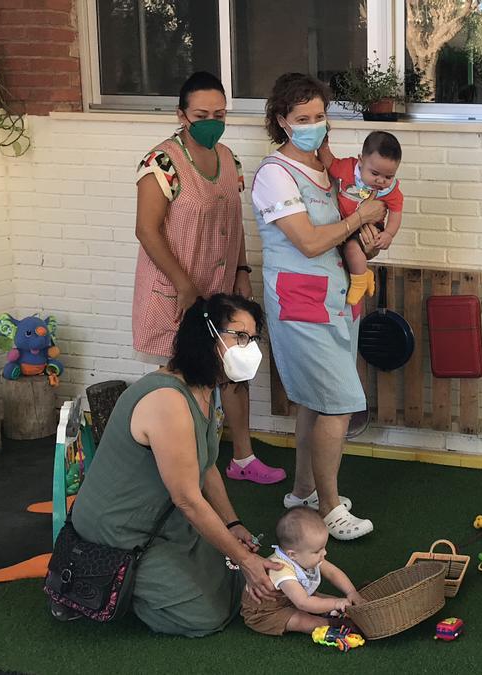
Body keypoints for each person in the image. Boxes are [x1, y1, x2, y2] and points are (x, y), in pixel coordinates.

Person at [64, 294, 283, 636]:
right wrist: (245, 558)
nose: (249, 348)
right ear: (205, 335)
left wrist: (233, 523)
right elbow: (187, 499)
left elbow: (206, 463)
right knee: (204, 617)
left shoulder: (205, 388)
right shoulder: (168, 399)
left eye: (253, 339)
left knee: (231, 578)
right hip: (119, 530)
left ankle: (151, 576)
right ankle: (107, 584)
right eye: (239, 336)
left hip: (161, 518)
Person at [250, 72, 386, 540]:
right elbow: (308, 242)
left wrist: (366, 232)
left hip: (333, 298)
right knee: (338, 404)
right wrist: (360, 220)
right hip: (301, 302)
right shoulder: (274, 174)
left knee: (314, 400)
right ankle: (330, 509)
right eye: (302, 117)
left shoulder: (327, 172)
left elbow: (342, 230)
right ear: (282, 122)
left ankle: (303, 492)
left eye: (320, 115)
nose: (314, 124)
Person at [131, 71, 284, 485]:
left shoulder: (228, 157)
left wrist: (242, 271)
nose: (211, 121)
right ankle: (185, 462)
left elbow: (234, 224)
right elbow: (147, 229)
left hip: (221, 288)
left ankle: (243, 458)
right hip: (176, 289)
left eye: (219, 113)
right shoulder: (161, 162)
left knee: (235, 367)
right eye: (201, 114)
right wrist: (183, 284)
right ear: (182, 114)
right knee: (185, 375)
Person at [240, 507, 364, 636]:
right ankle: (335, 625)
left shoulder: (303, 555)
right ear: (292, 555)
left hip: (290, 598)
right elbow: (303, 603)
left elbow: (332, 573)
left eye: (324, 547)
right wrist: (336, 603)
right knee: (302, 620)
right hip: (266, 612)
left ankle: (346, 610)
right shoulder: (281, 569)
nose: (324, 553)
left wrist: (351, 592)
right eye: (317, 551)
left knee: (327, 600)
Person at [320, 130, 405, 305]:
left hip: (370, 227)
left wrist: (389, 234)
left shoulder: (390, 190)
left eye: (388, 177)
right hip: (346, 223)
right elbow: (329, 162)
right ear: (360, 161)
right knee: (348, 250)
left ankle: (359, 281)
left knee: (352, 249)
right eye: (375, 174)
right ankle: (365, 275)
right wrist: (323, 145)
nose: (381, 181)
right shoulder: (346, 169)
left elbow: (396, 213)